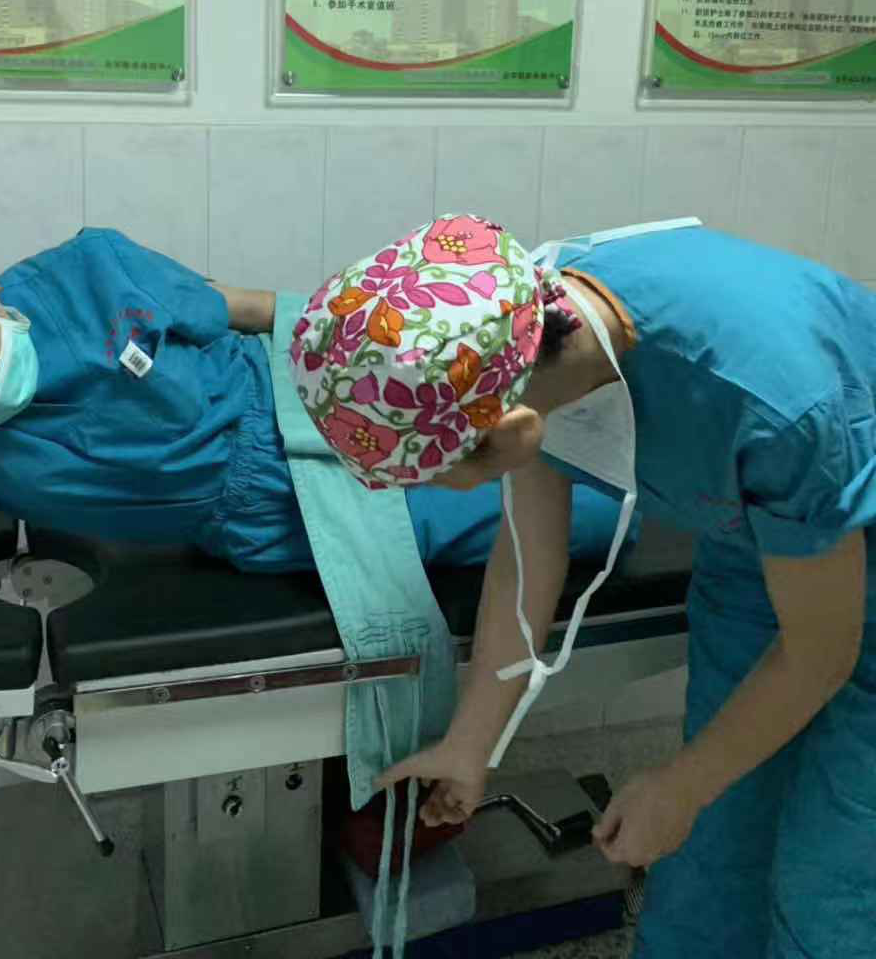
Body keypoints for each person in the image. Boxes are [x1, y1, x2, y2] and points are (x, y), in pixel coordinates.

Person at [303, 218, 876, 959]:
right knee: (712, 844)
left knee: (832, 877)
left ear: (510, 433)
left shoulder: (772, 401)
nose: (433, 491)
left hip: (835, 513)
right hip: (757, 538)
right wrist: (473, 741)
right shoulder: (523, 339)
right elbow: (526, 558)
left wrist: (681, 785)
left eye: (435, 477)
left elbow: (819, 654)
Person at [0, 229, 625, 624]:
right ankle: (655, 500)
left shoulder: (88, 272)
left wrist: (366, 355)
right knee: (577, 522)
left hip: (322, 389)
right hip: (276, 514)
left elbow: (242, 308)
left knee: (565, 407)